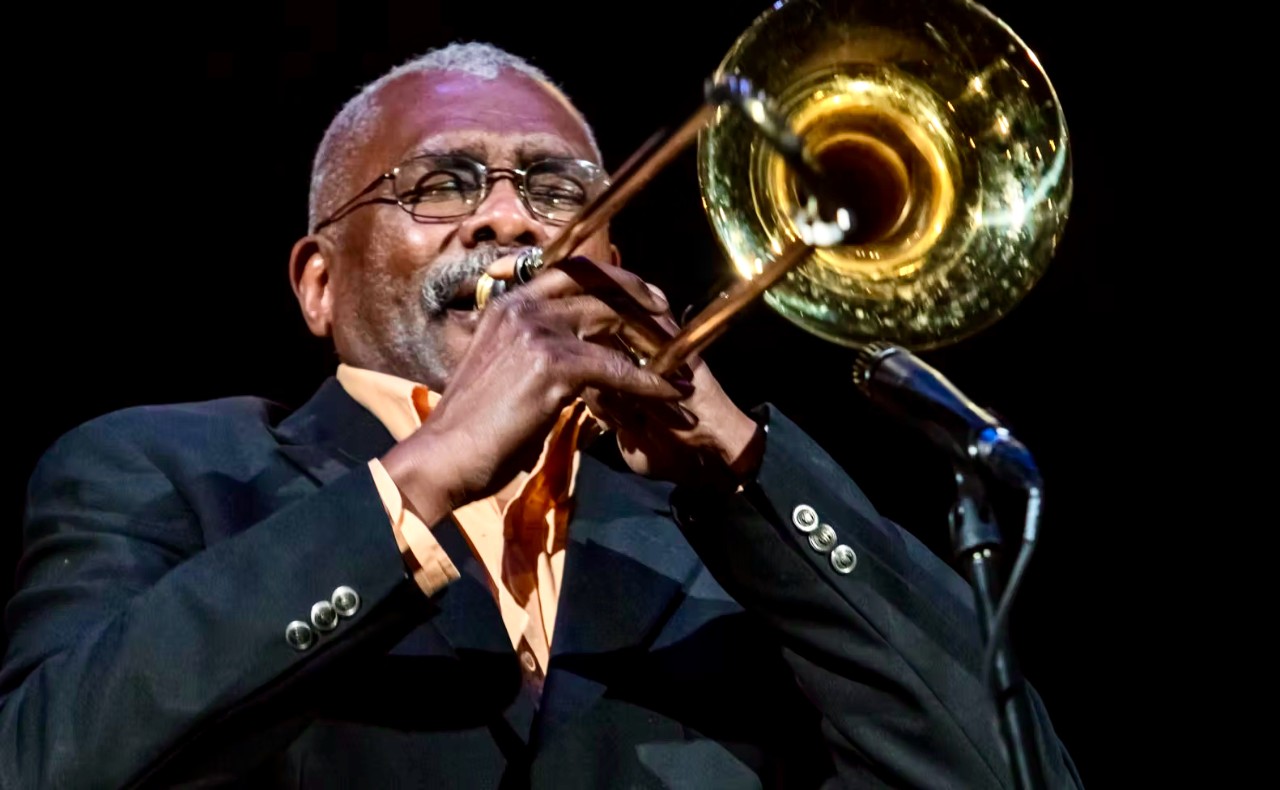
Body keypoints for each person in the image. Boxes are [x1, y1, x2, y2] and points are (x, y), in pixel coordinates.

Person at [0, 42, 1082, 789]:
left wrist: (745, 473)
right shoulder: (165, 469)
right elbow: (51, 762)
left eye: (559, 192)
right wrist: (425, 474)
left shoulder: (734, 552)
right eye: (442, 185)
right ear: (318, 285)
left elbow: (1006, 774)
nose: (511, 218)